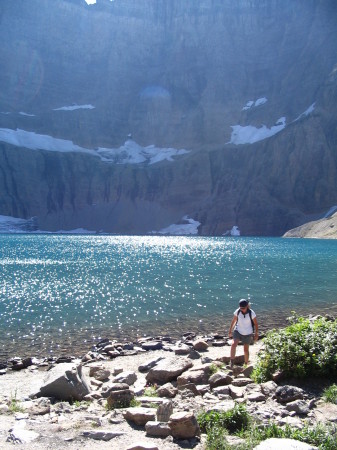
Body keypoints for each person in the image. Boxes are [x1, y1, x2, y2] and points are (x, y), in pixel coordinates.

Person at [228, 299, 258, 367]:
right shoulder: (238, 311)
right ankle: (232, 362)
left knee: (246, 350)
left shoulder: (251, 313)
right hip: (238, 330)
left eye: (243, 308)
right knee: (233, 344)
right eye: (241, 308)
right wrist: (230, 331)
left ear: (247, 306)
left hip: (248, 333)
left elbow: (256, 324)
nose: (242, 310)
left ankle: (246, 364)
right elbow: (234, 321)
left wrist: (256, 333)